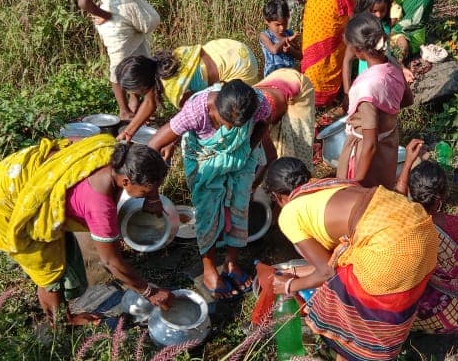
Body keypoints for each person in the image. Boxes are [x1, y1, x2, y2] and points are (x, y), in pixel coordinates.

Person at [0, 135, 174, 324]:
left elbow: (74, 141)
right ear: (126, 181)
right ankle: (61, 322)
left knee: (62, 247)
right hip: (8, 195)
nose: (147, 195)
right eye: (145, 191)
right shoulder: (99, 206)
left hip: (18, 169)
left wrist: (152, 198)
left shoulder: (110, 148)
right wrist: (150, 292)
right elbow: (111, 262)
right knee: (49, 271)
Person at [262, 157, 439, 361]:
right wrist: (295, 274)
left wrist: (290, 285)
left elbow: (326, 271)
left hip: (392, 252)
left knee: (339, 301)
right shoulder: (330, 185)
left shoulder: (290, 213)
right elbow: (336, 258)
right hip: (424, 233)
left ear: (279, 197)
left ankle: (356, 353)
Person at [147, 80, 268, 299]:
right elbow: (152, 147)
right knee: (208, 211)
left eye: (238, 126)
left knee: (241, 203)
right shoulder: (196, 110)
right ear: (215, 108)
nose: (230, 129)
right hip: (204, 159)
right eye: (225, 123)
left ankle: (231, 262)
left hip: (240, 157)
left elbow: (263, 124)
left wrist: (247, 149)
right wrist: (153, 196)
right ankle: (209, 269)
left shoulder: (258, 103)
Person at [395, 142, 458, 334]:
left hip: (416, 312)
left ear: (413, 194)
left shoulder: (405, 221)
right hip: (452, 311)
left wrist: (407, 164)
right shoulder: (456, 224)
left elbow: (398, 196)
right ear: (445, 194)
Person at [113, 38, 260, 141]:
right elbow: (150, 101)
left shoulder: (177, 91)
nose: (133, 95)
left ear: (142, 87)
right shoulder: (165, 63)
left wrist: (170, 141)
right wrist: (128, 131)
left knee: (229, 111)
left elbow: (195, 114)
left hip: (241, 68)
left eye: (133, 91)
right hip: (229, 49)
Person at [337, 13, 413, 189]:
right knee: (382, 192)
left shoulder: (367, 89)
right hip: (388, 147)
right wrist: (385, 112)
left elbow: (370, 145)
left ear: (357, 51)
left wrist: (355, 184)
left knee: (364, 199)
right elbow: (408, 99)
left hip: (366, 157)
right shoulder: (392, 65)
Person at [253, 68, 316, 171]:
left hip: (299, 87)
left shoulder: (257, 118)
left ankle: (301, 174)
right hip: (277, 82)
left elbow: (270, 156)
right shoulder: (228, 114)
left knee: (298, 138)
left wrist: (254, 185)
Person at [342, 0, 394, 95]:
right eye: (374, 11)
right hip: (367, 84)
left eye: (382, 10)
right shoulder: (360, 31)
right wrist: (347, 92)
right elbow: (347, 60)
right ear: (364, 8)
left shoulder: (385, 25)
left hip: (386, 78)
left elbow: (387, 52)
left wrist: (399, 68)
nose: (379, 15)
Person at [259, 0, 301, 76]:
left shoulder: (290, 33)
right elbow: (274, 50)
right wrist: (286, 39)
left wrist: (291, 51)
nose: (282, 27)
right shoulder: (264, 35)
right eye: (277, 25)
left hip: (290, 75)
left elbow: (300, 56)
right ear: (266, 21)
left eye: (285, 23)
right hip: (273, 76)